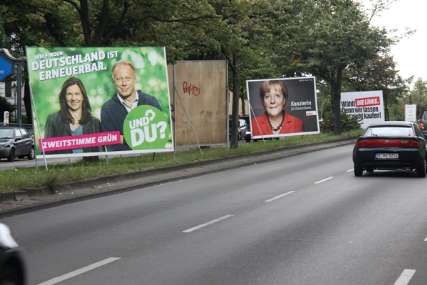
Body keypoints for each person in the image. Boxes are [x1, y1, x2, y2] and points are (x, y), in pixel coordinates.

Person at [101, 60, 162, 151]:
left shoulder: (151, 102)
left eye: (127, 78)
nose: (124, 83)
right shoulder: (107, 109)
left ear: (134, 79)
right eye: (119, 79)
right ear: (114, 81)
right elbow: (112, 146)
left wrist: (123, 139)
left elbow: (160, 136)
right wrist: (144, 137)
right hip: (123, 161)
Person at [44, 77, 101, 154]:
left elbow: (101, 155)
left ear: (83, 96)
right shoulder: (52, 120)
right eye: (69, 94)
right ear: (64, 97)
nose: (73, 98)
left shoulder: (95, 123)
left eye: (77, 94)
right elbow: (47, 155)